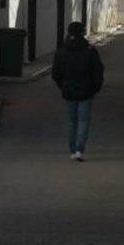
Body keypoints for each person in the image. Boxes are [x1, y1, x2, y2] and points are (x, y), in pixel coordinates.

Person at [51, 20, 104, 161]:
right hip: (86, 91)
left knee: (71, 121)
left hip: (69, 91)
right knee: (83, 120)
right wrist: (95, 87)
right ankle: (79, 149)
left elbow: (56, 73)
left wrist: (62, 85)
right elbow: (98, 71)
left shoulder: (61, 51)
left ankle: (73, 149)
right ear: (83, 33)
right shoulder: (90, 51)